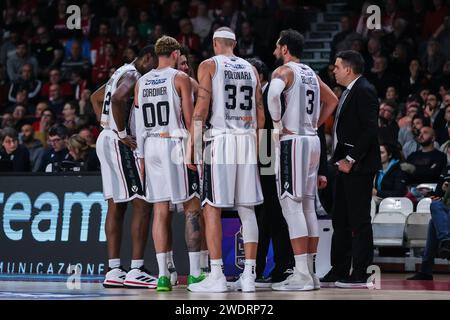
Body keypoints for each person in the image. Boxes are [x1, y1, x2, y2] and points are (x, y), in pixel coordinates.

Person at [188, 27, 265, 293]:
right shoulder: (251, 69)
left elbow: (200, 111)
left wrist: (193, 148)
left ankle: (218, 275)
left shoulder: (209, 65)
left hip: (219, 140)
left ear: (215, 43)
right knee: (247, 209)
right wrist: (259, 149)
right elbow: (260, 113)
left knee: (212, 208)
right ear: (234, 43)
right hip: (246, 140)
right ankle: (250, 277)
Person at [267, 29, 338, 291]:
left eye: (277, 47)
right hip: (312, 141)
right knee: (308, 207)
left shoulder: (283, 72)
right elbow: (332, 100)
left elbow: (273, 95)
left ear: (285, 48)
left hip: (293, 142)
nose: (275, 52)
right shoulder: (312, 73)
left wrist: (276, 124)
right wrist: (314, 123)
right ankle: (310, 272)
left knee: (291, 206)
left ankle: (301, 275)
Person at [134, 36, 204, 292]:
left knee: (160, 210)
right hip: (174, 143)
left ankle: (163, 276)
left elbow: (139, 124)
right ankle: (195, 273)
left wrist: (140, 157)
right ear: (175, 54)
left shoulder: (141, 82)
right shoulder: (179, 78)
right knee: (192, 206)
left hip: (150, 145)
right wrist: (195, 151)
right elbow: (189, 118)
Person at [90, 45, 156, 289]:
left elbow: (95, 98)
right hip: (118, 142)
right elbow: (118, 99)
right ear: (147, 57)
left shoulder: (119, 71)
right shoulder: (133, 75)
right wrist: (121, 132)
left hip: (105, 139)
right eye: (154, 63)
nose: (154, 70)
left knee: (116, 205)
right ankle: (136, 269)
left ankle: (114, 269)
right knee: (142, 203)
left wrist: (106, 125)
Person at [321, 50, 381, 289]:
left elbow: (369, 130)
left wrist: (351, 159)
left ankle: (361, 272)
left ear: (348, 68)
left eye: (336, 66)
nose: (333, 70)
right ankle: (339, 268)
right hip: (343, 166)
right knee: (341, 220)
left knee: (359, 221)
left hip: (359, 166)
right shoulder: (349, 91)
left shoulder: (365, 89)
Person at [248, 57, 295, 287]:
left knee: (275, 213)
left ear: (260, 75)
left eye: (251, 73)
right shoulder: (260, 94)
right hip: (264, 152)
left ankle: (284, 266)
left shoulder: (270, 94)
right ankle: (259, 268)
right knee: (263, 214)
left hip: (270, 152)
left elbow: (269, 131)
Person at [407, 165, 450, 280]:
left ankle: (446, 242)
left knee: (435, 215)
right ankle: (445, 242)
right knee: (435, 216)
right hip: (445, 208)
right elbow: (437, 195)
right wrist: (440, 191)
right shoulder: (446, 169)